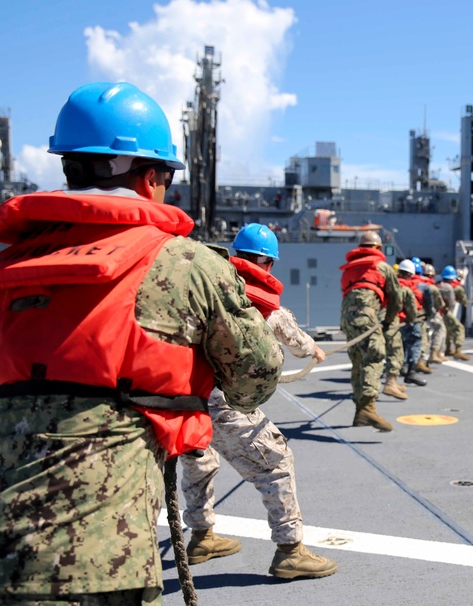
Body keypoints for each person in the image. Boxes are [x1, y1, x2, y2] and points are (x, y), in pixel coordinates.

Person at [0, 82, 284, 606]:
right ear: (152, 178)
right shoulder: (187, 263)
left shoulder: (18, 268)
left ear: (69, 169)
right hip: (81, 575)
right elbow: (255, 379)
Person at [180, 223, 336, 579]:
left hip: (184, 396)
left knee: (200, 459)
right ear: (269, 263)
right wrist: (314, 350)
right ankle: (290, 550)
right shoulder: (259, 302)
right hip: (222, 402)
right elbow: (296, 344)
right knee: (277, 461)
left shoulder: (210, 288)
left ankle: (202, 536)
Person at [340, 230, 401, 432]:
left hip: (347, 319)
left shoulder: (348, 270)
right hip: (368, 317)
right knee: (375, 356)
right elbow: (396, 299)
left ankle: (360, 412)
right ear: (378, 248)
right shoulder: (383, 267)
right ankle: (368, 408)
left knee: (358, 361)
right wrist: (387, 321)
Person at [395, 259, 427, 389]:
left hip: (396, 321)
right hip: (409, 320)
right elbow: (412, 306)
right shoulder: (410, 288)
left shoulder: (393, 285)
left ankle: (401, 369)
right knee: (415, 342)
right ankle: (411, 372)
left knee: (399, 346)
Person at [438, 265, 471, 360]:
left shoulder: (439, 285)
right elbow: (463, 301)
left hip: (439, 311)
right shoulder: (457, 288)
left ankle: (448, 348)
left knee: (448, 329)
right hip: (446, 311)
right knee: (459, 328)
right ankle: (458, 351)